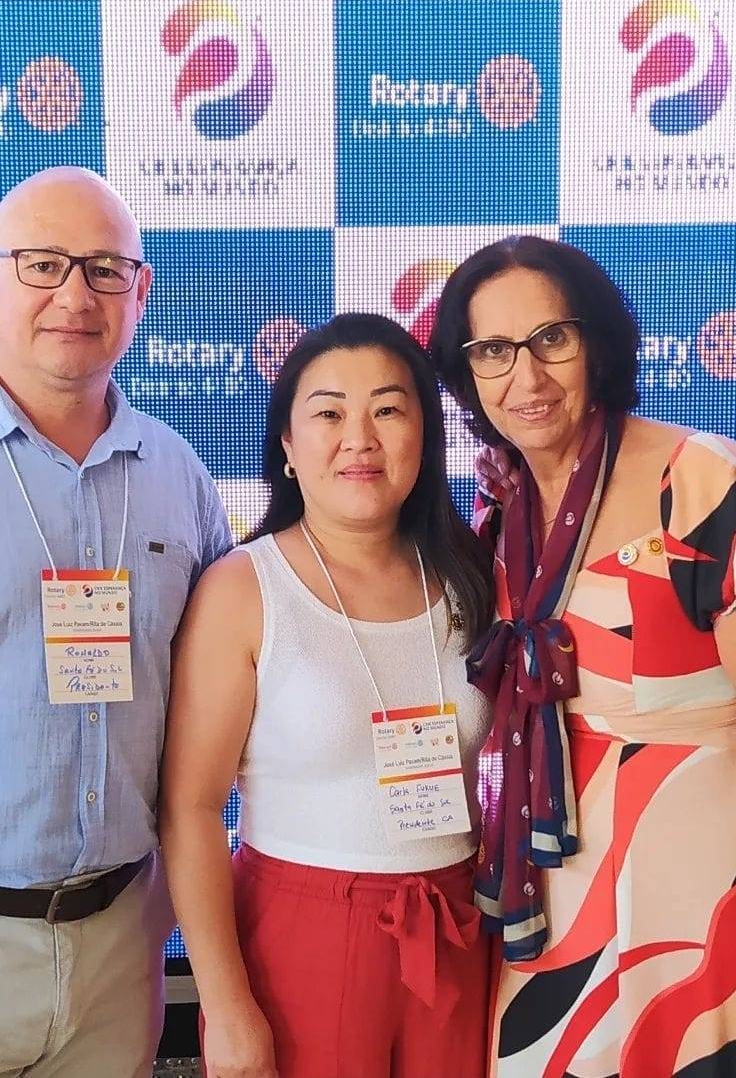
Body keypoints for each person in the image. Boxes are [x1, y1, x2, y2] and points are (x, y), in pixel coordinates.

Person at [429, 236, 736, 1078]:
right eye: (493, 351)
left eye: (552, 338)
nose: (527, 375)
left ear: (597, 341)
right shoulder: (504, 504)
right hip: (555, 900)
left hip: (704, 895)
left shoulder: (700, 482)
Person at [159, 313, 495, 1078]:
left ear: (425, 435)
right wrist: (226, 1004)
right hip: (302, 937)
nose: (359, 438)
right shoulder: (244, 589)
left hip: (456, 929)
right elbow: (190, 808)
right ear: (287, 444)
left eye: (388, 409)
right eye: (329, 413)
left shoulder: (472, 575)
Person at [0, 167, 232, 1077]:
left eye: (104, 268)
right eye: (42, 263)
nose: (74, 295)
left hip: (121, 943)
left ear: (142, 291)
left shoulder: (181, 477)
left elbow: (221, 705)